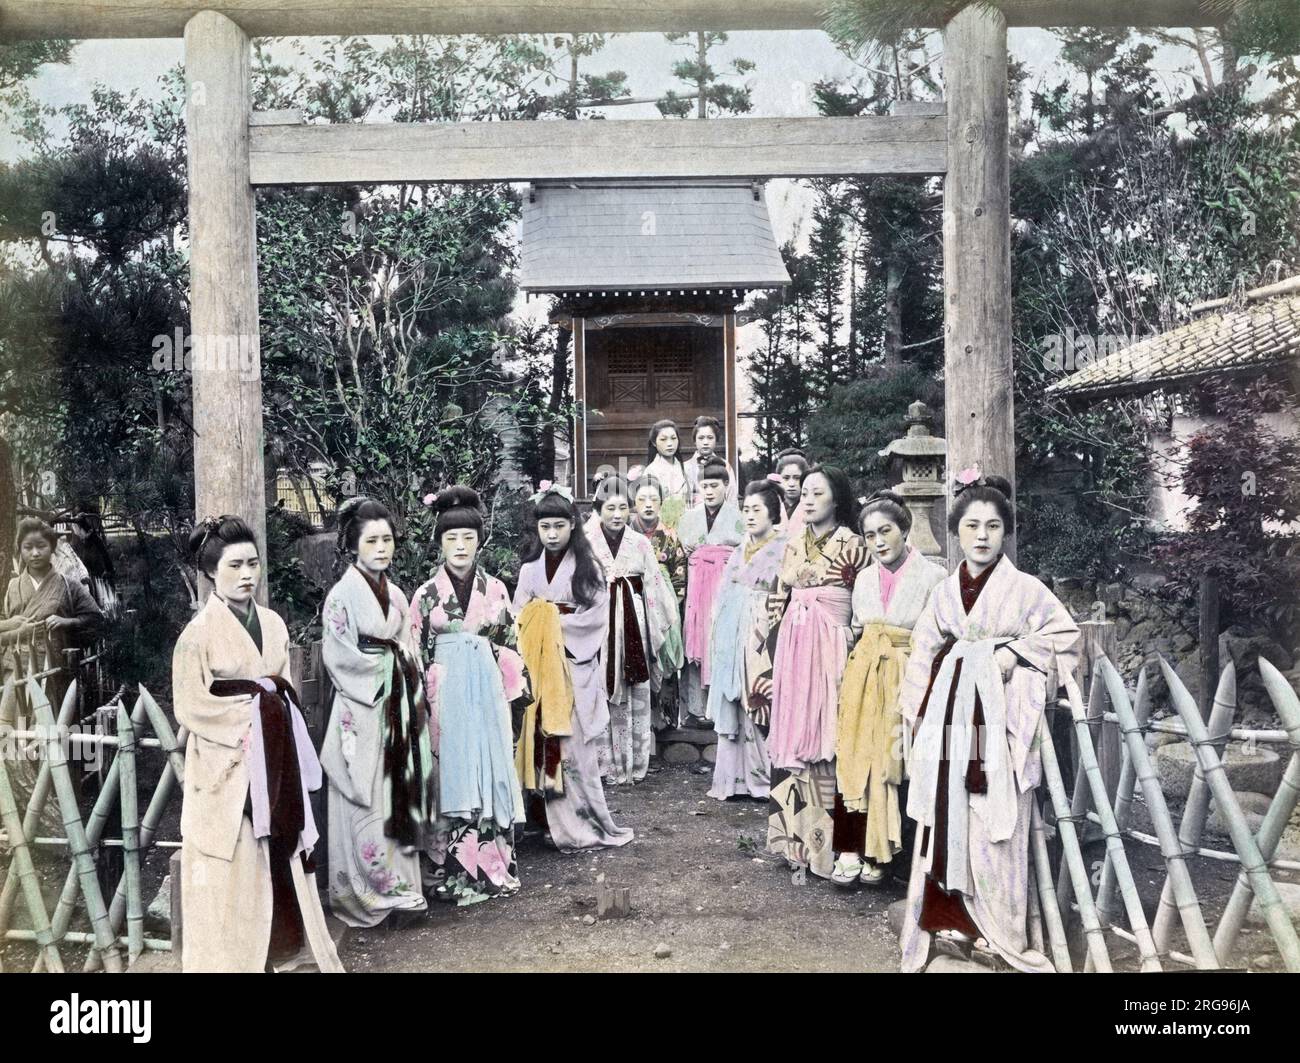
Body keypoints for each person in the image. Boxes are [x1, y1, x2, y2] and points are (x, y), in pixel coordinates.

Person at [898, 473, 1080, 972]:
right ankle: (948, 919)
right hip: (951, 720)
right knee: (947, 812)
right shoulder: (943, 593)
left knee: (994, 821)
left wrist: (1014, 655)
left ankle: (995, 931)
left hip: (997, 725)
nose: (982, 536)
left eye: (994, 526)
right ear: (957, 531)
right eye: (972, 525)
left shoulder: (1026, 590)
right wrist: (916, 717)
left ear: (1006, 533)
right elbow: (921, 654)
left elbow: (1066, 637)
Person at [171, 515, 342, 972]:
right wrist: (250, 724)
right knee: (235, 859)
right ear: (210, 572)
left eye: (253, 563)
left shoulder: (272, 623)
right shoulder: (196, 637)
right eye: (234, 566)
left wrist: (273, 723)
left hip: (274, 751)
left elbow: (281, 686)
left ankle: (281, 950)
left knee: (279, 852)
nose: (247, 575)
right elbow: (190, 706)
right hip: (227, 760)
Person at [409, 486, 527, 905]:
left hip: (486, 692)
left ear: (480, 541)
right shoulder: (425, 595)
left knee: (489, 770)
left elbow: (512, 645)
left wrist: (512, 695)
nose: (460, 547)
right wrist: (421, 702)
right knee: (447, 775)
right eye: (451, 539)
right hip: (445, 696)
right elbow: (415, 654)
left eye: (468, 538)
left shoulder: (495, 589)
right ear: (439, 543)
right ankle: (445, 867)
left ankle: (492, 862)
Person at [319, 497, 433, 927]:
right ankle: (364, 894)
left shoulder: (398, 594)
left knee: (394, 793)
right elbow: (338, 655)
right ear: (353, 545)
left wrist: (403, 674)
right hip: (360, 705)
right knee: (361, 793)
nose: (382, 548)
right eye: (372, 541)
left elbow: (407, 645)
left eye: (387, 540)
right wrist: (388, 672)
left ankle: (402, 891)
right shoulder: (341, 596)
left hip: (396, 702)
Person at [832, 490, 945, 887]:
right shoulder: (863, 579)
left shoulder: (934, 576)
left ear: (905, 530)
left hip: (906, 674)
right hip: (864, 675)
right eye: (869, 535)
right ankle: (849, 846)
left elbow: (936, 638)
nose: (878, 542)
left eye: (886, 531)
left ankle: (885, 854)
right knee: (853, 754)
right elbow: (859, 629)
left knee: (893, 760)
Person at [513, 482, 634, 851]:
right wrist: (538, 625)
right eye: (544, 527)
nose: (551, 534)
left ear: (572, 526)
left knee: (573, 746)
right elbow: (518, 615)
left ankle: (582, 823)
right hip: (538, 666)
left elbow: (597, 617)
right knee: (538, 739)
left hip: (571, 665)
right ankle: (540, 821)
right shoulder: (529, 569)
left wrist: (550, 624)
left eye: (559, 526)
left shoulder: (588, 567)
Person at [765, 465, 867, 881]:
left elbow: (863, 600)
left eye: (817, 493)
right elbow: (778, 599)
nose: (806, 499)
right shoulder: (792, 545)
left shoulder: (855, 545)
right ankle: (798, 844)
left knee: (832, 737)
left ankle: (839, 850)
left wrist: (852, 643)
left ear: (837, 500)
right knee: (796, 734)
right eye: (803, 492)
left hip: (833, 645)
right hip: (795, 645)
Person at [584, 474, 679, 784]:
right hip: (598, 624)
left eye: (623, 507)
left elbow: (653, 586)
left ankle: (633, 763)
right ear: (598, 509)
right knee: (598, 686)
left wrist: (654, 629)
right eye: (609, 507)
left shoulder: (639, 542)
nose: (616, 514)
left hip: (633, 621)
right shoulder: (585, 542)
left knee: (632, 685)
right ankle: (603, 765)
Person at [706, 479, 787, 801]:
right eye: (746, 510)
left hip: (763, 634)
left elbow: (784, 594)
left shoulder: (784, 548)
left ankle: (763, 780)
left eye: (757, 509)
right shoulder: (739, 549)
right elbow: (725, 592)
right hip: (732, 631)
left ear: (772, 513)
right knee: (733, 703)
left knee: (760, 700)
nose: (750, 516)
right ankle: (732, 781)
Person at [1, 518, 102, 725]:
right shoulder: (12, 586)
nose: (35, 553)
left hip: (52, 665)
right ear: (20, 550)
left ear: (52, 548)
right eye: (28, 547)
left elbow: (95, 619)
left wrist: (67, 622)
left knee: (47, 725)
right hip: (15, 664)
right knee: (13, 724)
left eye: (41, 546)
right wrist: (13, 625)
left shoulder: (68, 585)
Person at [677, 460, 744, 727]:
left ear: (726, 487)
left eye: (715, 485)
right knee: (696, 642)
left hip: (725, 588)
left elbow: (743, 551)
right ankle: (695, 711)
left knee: (722, 641)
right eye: (704, 486)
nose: (709, 491)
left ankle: (722, 710)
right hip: (696, 590)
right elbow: (684, 552)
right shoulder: (689, 517)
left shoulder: (738, 518)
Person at [630, 474, 687, 732]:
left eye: (654, 499)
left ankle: (666, 719)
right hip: (634, 600)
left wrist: (671, 605)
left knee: (665, 655)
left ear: (662, 503)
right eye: (642, 499)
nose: (649, 504)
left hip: (664, 603)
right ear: (634, 503)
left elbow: (679, 574)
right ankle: (641, 723)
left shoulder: (670, 535)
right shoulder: (628, 533)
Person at [643, 419, 691, 528]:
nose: (669, 443)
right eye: (663, 439)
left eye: (673, 438)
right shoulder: (650, 472)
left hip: (686, 524)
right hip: (661, 527)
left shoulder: (684, 468)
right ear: (654, 442)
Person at [683, 415, 738, 505]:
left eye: (710, 437)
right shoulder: (685, 468)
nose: (705, 442)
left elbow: (731, 499)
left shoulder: (725, 466)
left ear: (716, 439)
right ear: (694, 441)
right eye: (701, 438)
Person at [773, 451, 810, 534]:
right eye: (786, 478)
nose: (791, 484)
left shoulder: (812, 506)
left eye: (797, 478)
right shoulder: (769, 506)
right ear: (779, 479)